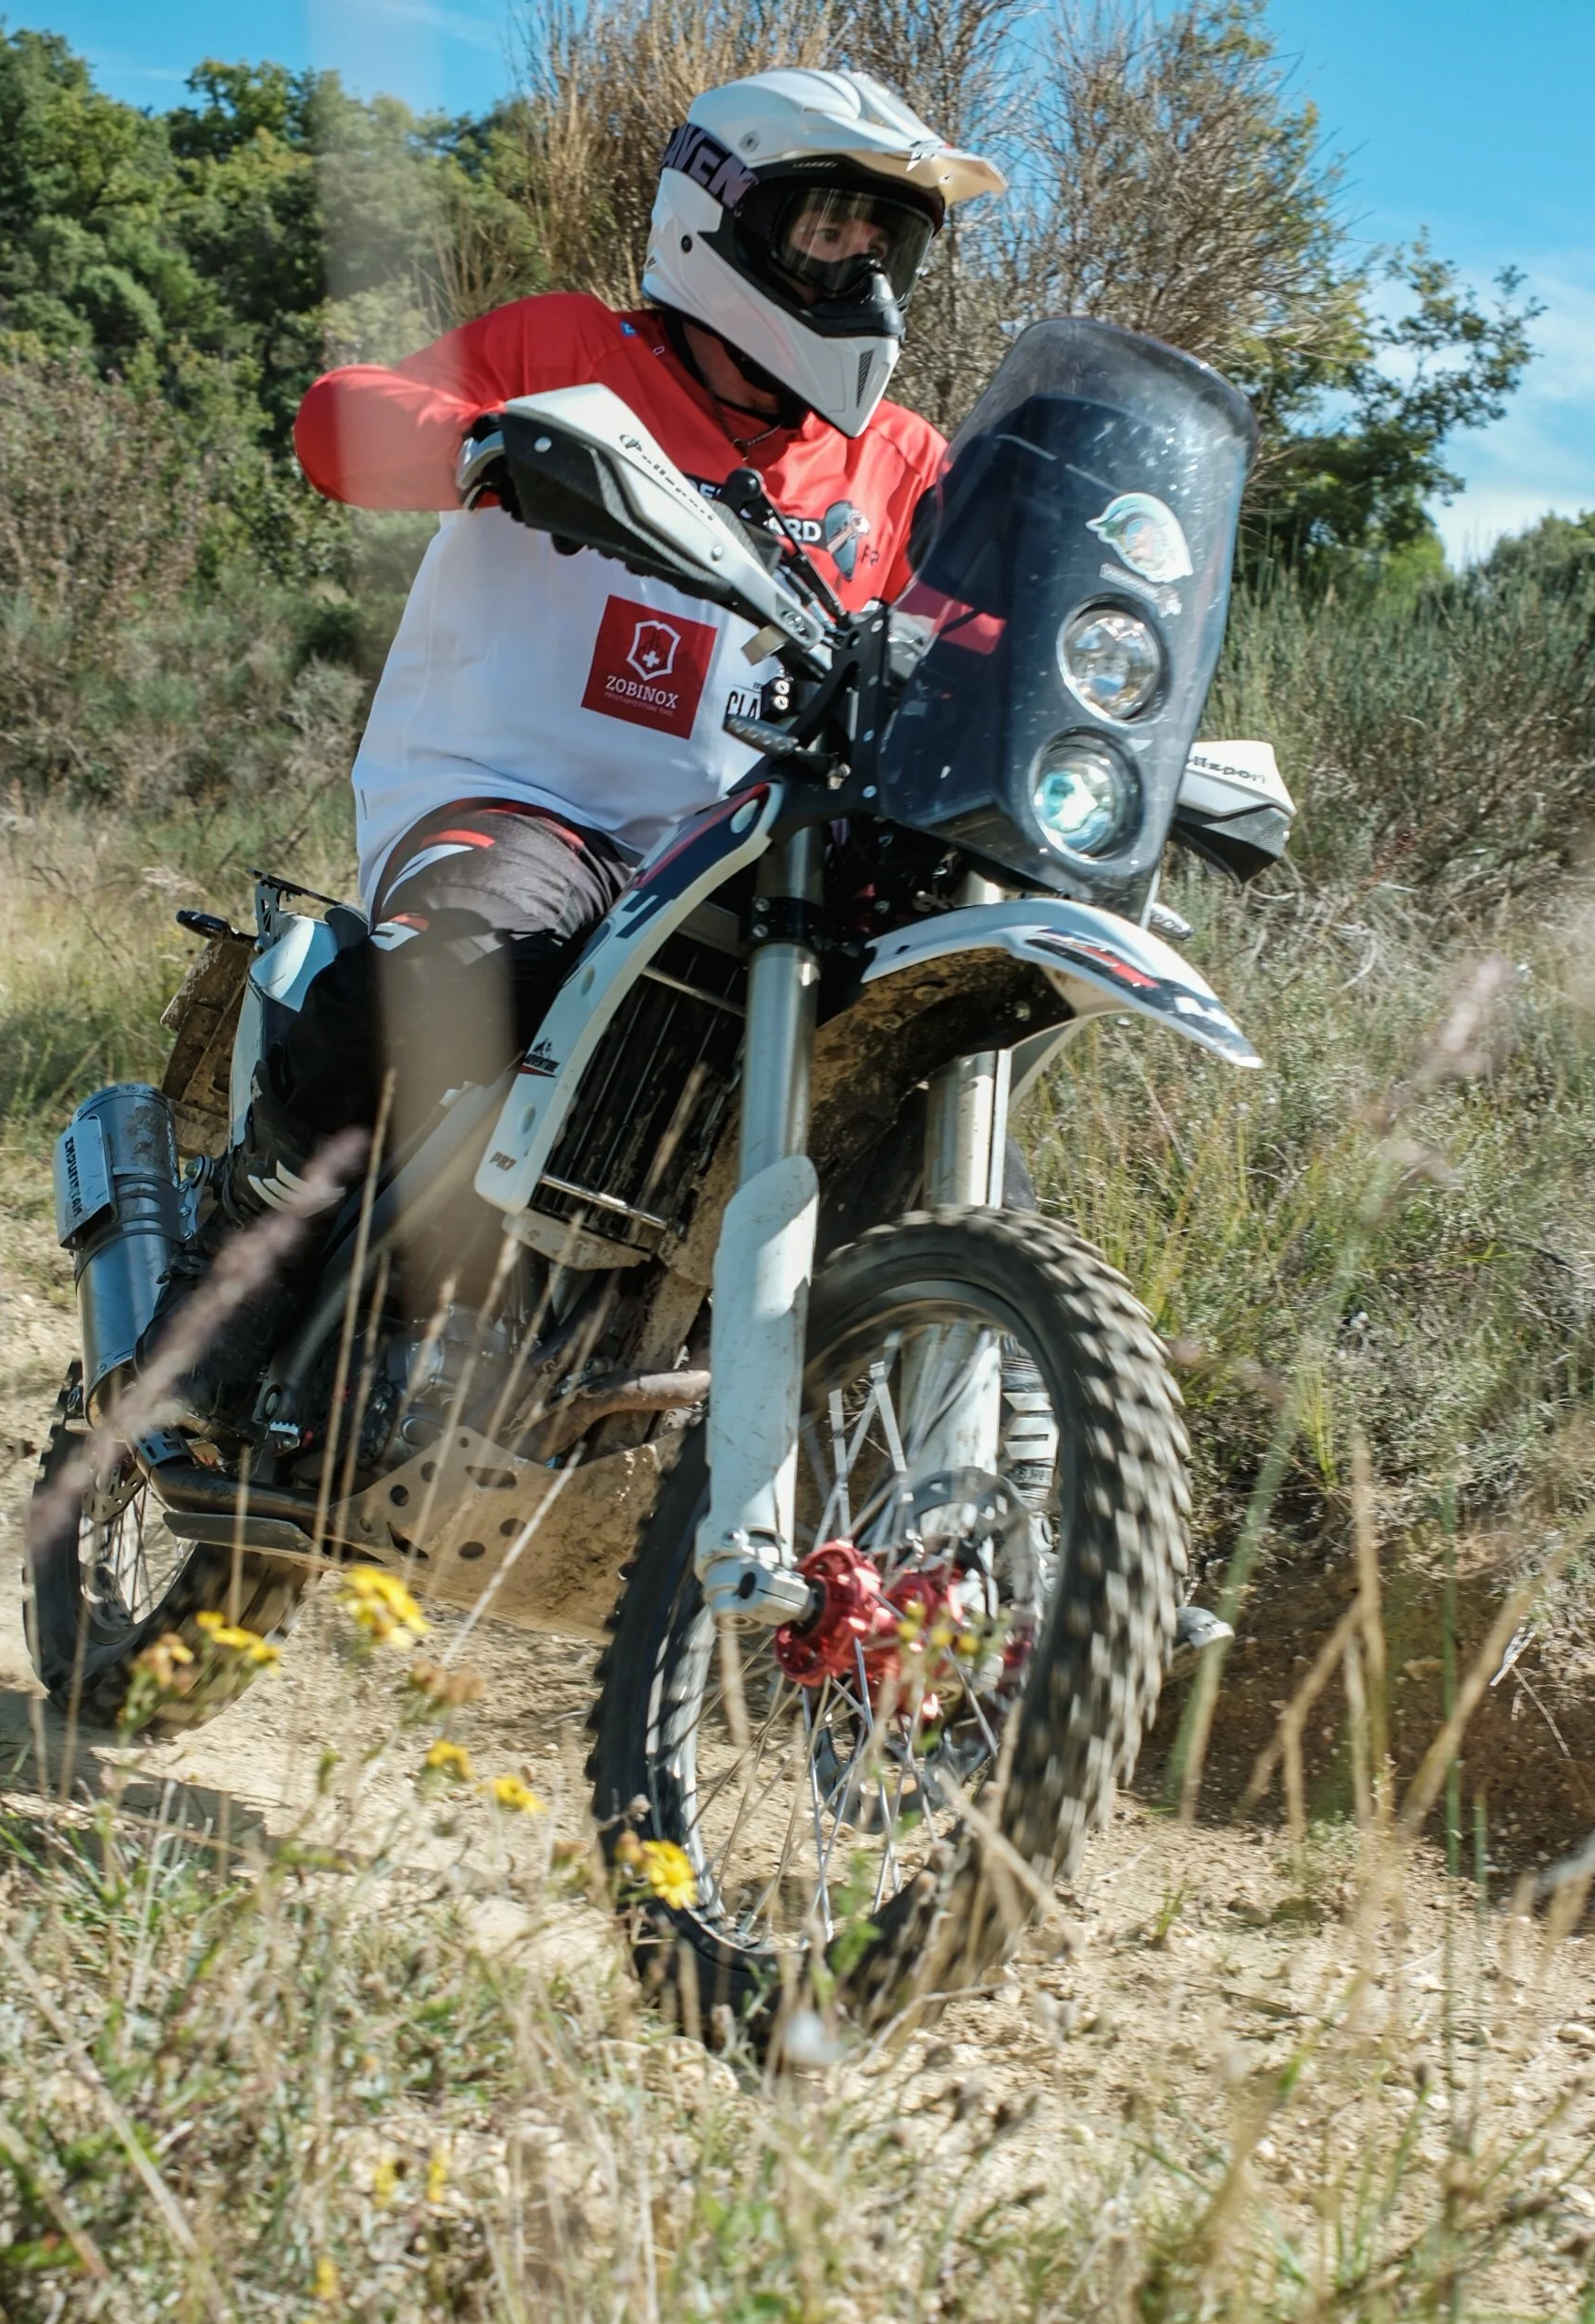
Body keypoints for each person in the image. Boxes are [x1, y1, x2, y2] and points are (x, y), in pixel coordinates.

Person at [149, 65, 1004, 1421]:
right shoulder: (565, 350)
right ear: (714, 220)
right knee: (472, 961)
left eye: (882, 240)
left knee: (891, 1053)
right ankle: (229, 1290)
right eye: (826, 226)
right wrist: (485, 446)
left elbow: (982, 629)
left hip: (741, 857)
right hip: (528, 805)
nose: (860, 267)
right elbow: (335, 426)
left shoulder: (898, 463)